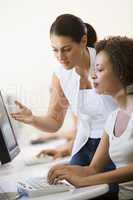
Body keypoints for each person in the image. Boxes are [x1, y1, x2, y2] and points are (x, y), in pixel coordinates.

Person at [11, 14, 117, 167]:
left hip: (113, 143)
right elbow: (54, 121)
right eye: (55, 50)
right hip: (84, 143)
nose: (60, 57)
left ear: (83, 41)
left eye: (66, 49)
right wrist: (32, 119)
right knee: (61, 181)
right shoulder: (60, 74)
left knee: (100, 187)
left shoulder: (108, 62)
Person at [47, 36, 133, 200]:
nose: (93, 75)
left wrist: (85, 181)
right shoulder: (113, 118)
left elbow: (92, 176)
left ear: (121, 73)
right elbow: (93, 169)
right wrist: (65, 170)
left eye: (100, 70)